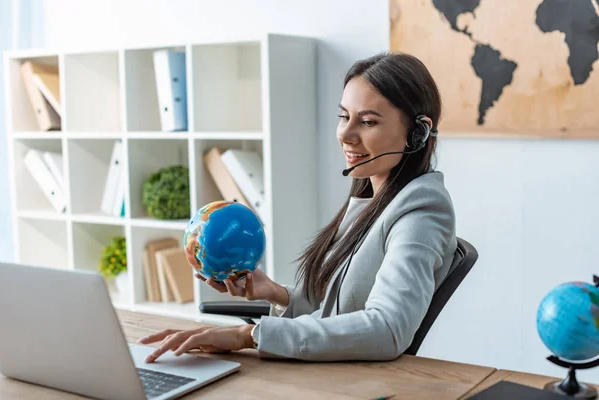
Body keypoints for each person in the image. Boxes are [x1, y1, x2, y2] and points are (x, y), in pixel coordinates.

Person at [139, 52, 457, 362]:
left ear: (417, 134)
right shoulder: (373, 200)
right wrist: (277, 292)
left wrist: (246, 336)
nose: (345, 134)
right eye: (344, 116)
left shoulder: (422, 214)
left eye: (368, 121)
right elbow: (340, 309)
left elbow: (388, 329)